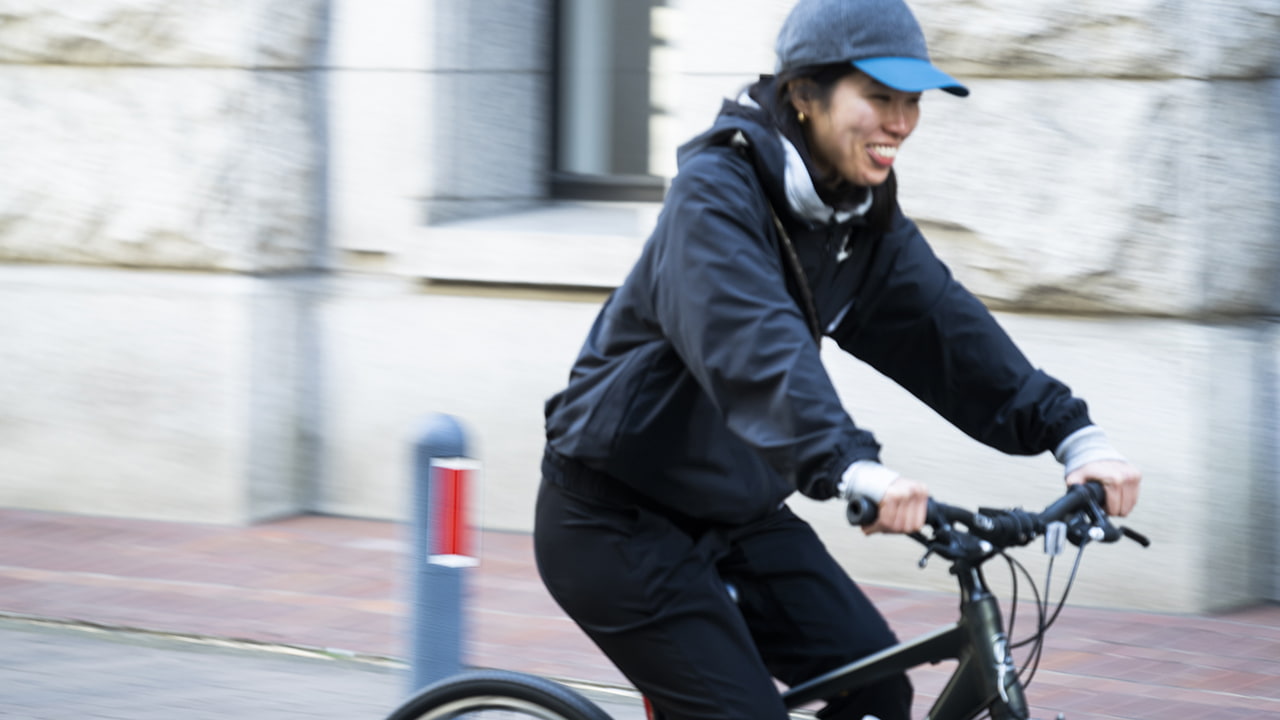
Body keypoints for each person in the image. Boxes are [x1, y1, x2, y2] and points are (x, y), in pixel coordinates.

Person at [533, 0, 1143, 717]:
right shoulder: (716, 198)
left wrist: (1072, 434)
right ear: (803, 94)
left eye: (911, 102)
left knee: (877, 686)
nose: (901, 123)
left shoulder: (857, 214)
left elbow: (947, 333)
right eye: (879, 97)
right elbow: (753, 346)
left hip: (738, 511)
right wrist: (849, 463)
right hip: (615, 520)